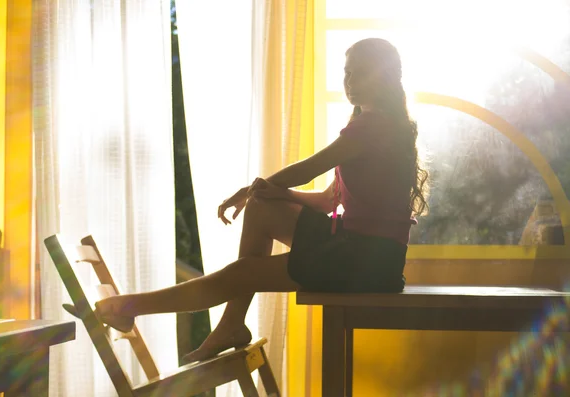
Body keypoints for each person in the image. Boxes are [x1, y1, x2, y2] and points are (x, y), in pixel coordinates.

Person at [91, 38, 429, 363]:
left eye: (359, 72)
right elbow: (328, 200)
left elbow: (308, 168)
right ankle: (230, 325)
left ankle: (130, 308)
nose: (349, 81)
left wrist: (256, 187)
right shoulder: (369, 125)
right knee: (260, 210)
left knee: (242, 271)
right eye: (346, 72)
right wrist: (269, 194)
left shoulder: (375, 127)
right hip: (356, 248)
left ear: (382, 77)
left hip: (366, 261)